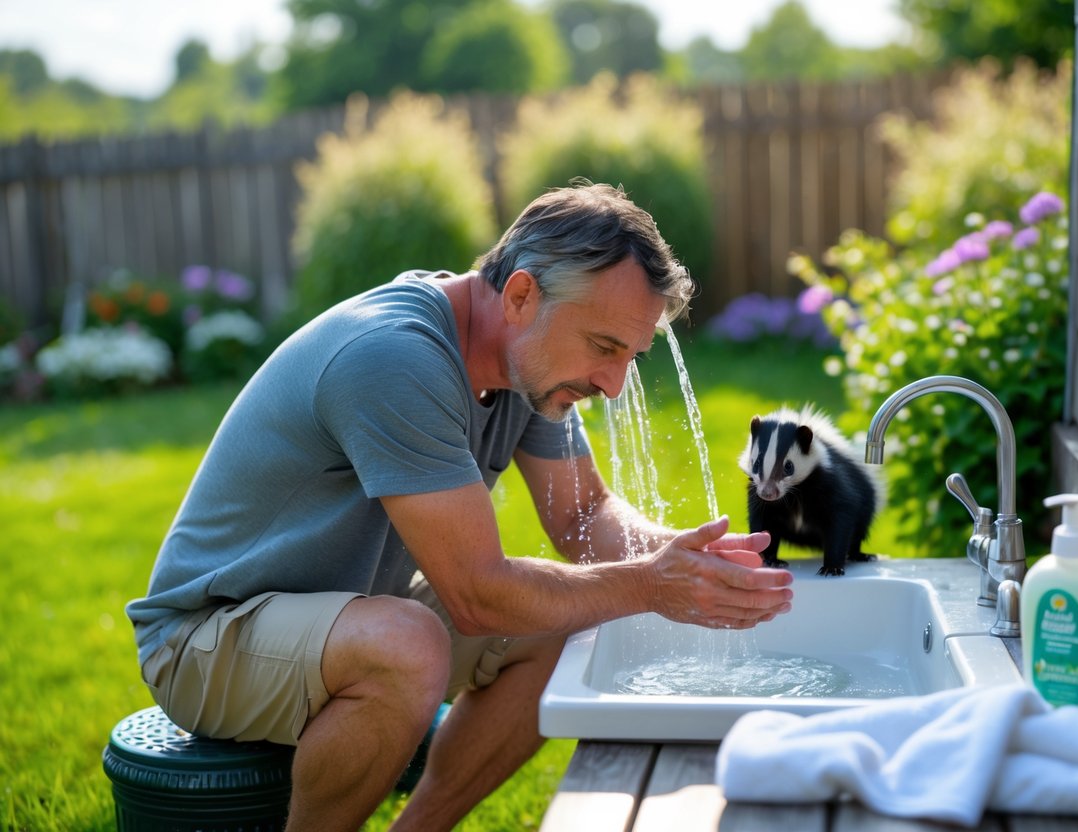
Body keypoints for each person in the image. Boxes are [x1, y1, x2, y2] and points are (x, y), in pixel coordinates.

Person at [126, 181, 793, 831]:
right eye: (603, 348)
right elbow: (477, 594)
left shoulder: (524, 365)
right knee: (410, 643)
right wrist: (650, 584)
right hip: (205, 638)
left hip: (348, 610)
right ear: (522, 295)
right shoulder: (394, 357)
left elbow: (583, 517)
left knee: (558, 624)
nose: (614, 386)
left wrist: (691, 560)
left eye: (630, 357)